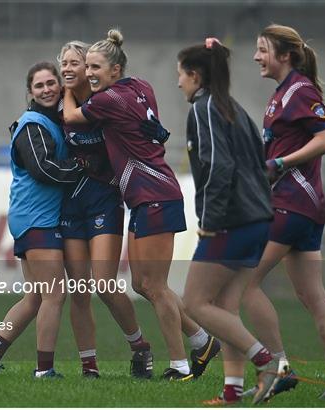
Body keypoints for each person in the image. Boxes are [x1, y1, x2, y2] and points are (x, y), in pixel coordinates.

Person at [63, 29, 220, 381]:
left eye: (95, 67)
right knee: (141, 285)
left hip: (154, 196)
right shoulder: (141, 86)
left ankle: (181, 365)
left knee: (157, 287)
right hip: (146, 197)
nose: (89, 72)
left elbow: (71, 118)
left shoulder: (107, 100)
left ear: (115, 70)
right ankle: (201, 339)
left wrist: (69, 88)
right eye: (85, 66)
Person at [241, 24, 325, 400]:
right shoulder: (281, 94)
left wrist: (281, 163)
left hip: (292, 203)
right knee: (312, 295)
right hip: (302, 207)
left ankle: (279, 367)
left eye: (262, 50)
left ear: (284, 55)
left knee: (244, 282)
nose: (256, 57)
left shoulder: (300, 90)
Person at [177, 38, 285, 405]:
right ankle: (232, 392)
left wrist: (210, 220)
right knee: (224, 309)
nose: (178, 83)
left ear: (194, 75)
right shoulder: (235, 108)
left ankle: (268, 363)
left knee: (193, 303)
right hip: (256, 219)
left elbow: (217, 167)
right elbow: (261, 164)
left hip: (231, 221)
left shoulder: (203, 108)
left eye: (181, 75)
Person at [0, 61, 89, 378]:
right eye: (39, 85)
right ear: (30, 92)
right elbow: (44, 169)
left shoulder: (53, 121)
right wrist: (85, 168)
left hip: (33, 219)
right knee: (55, 294)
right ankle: (44, 370)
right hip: (36, 220)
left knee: (36, 296)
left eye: (51, 83)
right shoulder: (32, 124)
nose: (47, 89)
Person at [57, 40, 155, 379]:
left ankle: (140, 346)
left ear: (90, 68)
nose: (68, 69)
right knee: (80, 289)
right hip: (71, 203)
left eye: (75, 63)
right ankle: (89, 365)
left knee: (104, 283)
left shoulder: (106, 102)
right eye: (64, 64)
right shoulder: (59, 105)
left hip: (105, 200)